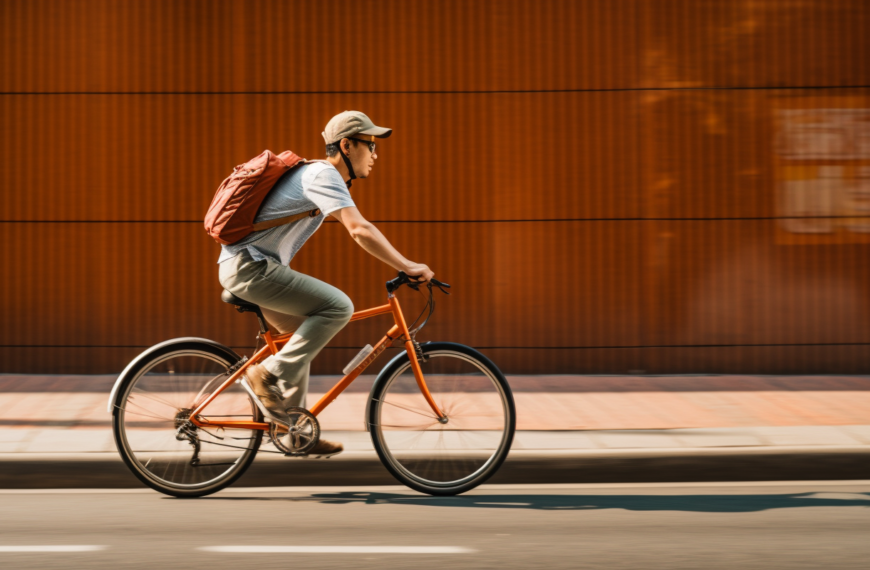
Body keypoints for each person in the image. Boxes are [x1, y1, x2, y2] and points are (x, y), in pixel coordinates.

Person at [217, 111, 435, 456]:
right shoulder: (323, 173)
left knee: (300, 339)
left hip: (247, 266)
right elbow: (359, 228)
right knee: (338, 306)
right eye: (370, 145)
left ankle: (295, 431)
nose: (375, 154)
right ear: (346, 146)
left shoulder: (319, 176)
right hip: (250, 267)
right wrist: (407, 265)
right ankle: (265, 376)